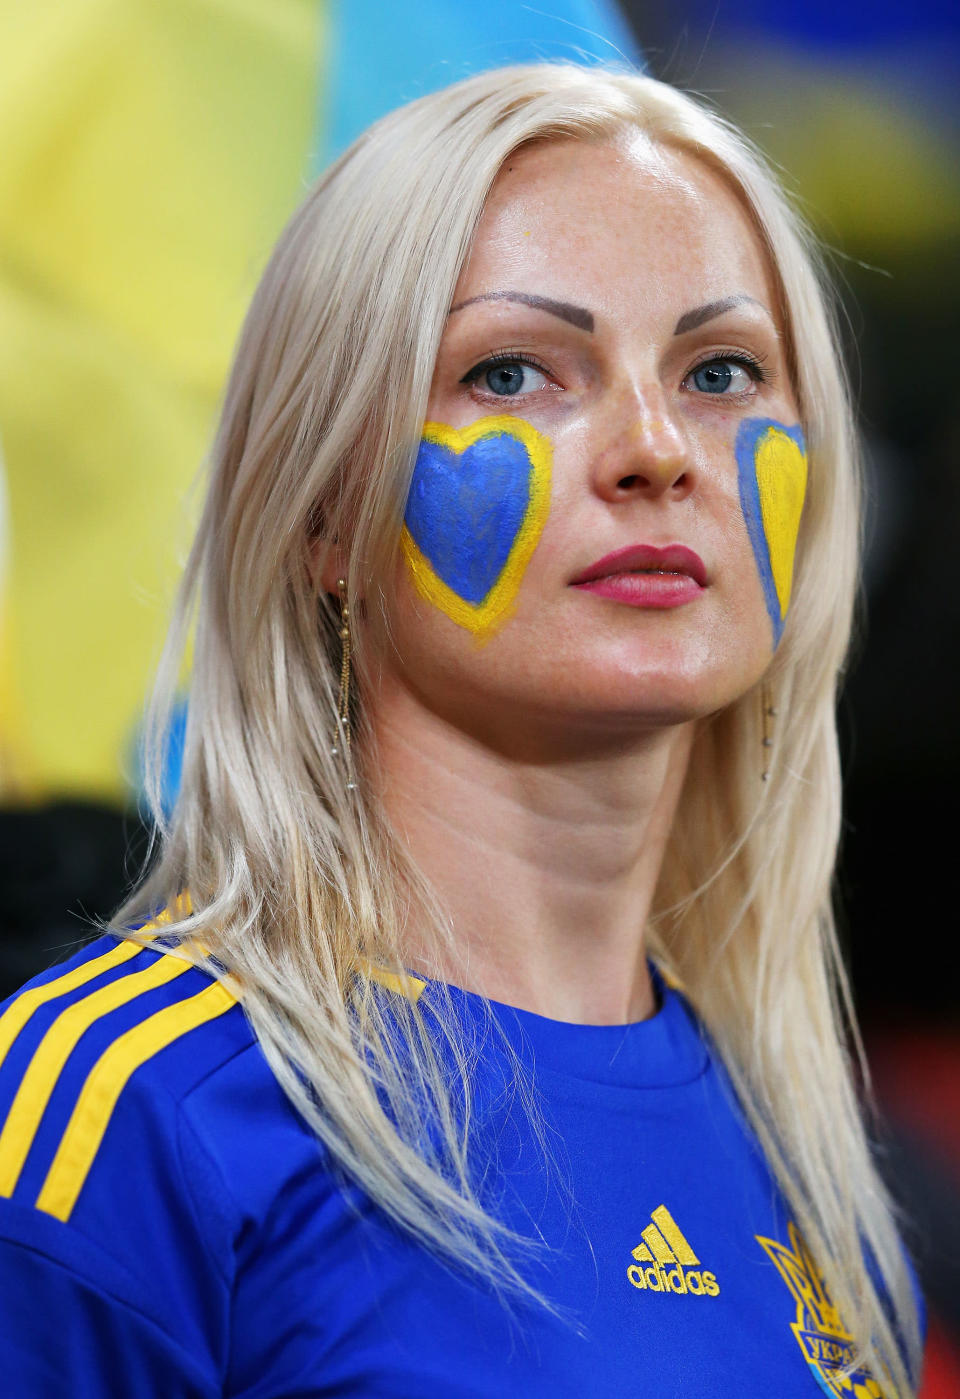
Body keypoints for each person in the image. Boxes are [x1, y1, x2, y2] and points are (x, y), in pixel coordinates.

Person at [0, 63, 924, 1396]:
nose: (656, 446)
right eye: (513, 374)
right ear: (325, 513)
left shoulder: (815, 1167)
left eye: (721, 370)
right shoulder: (137, 1110)